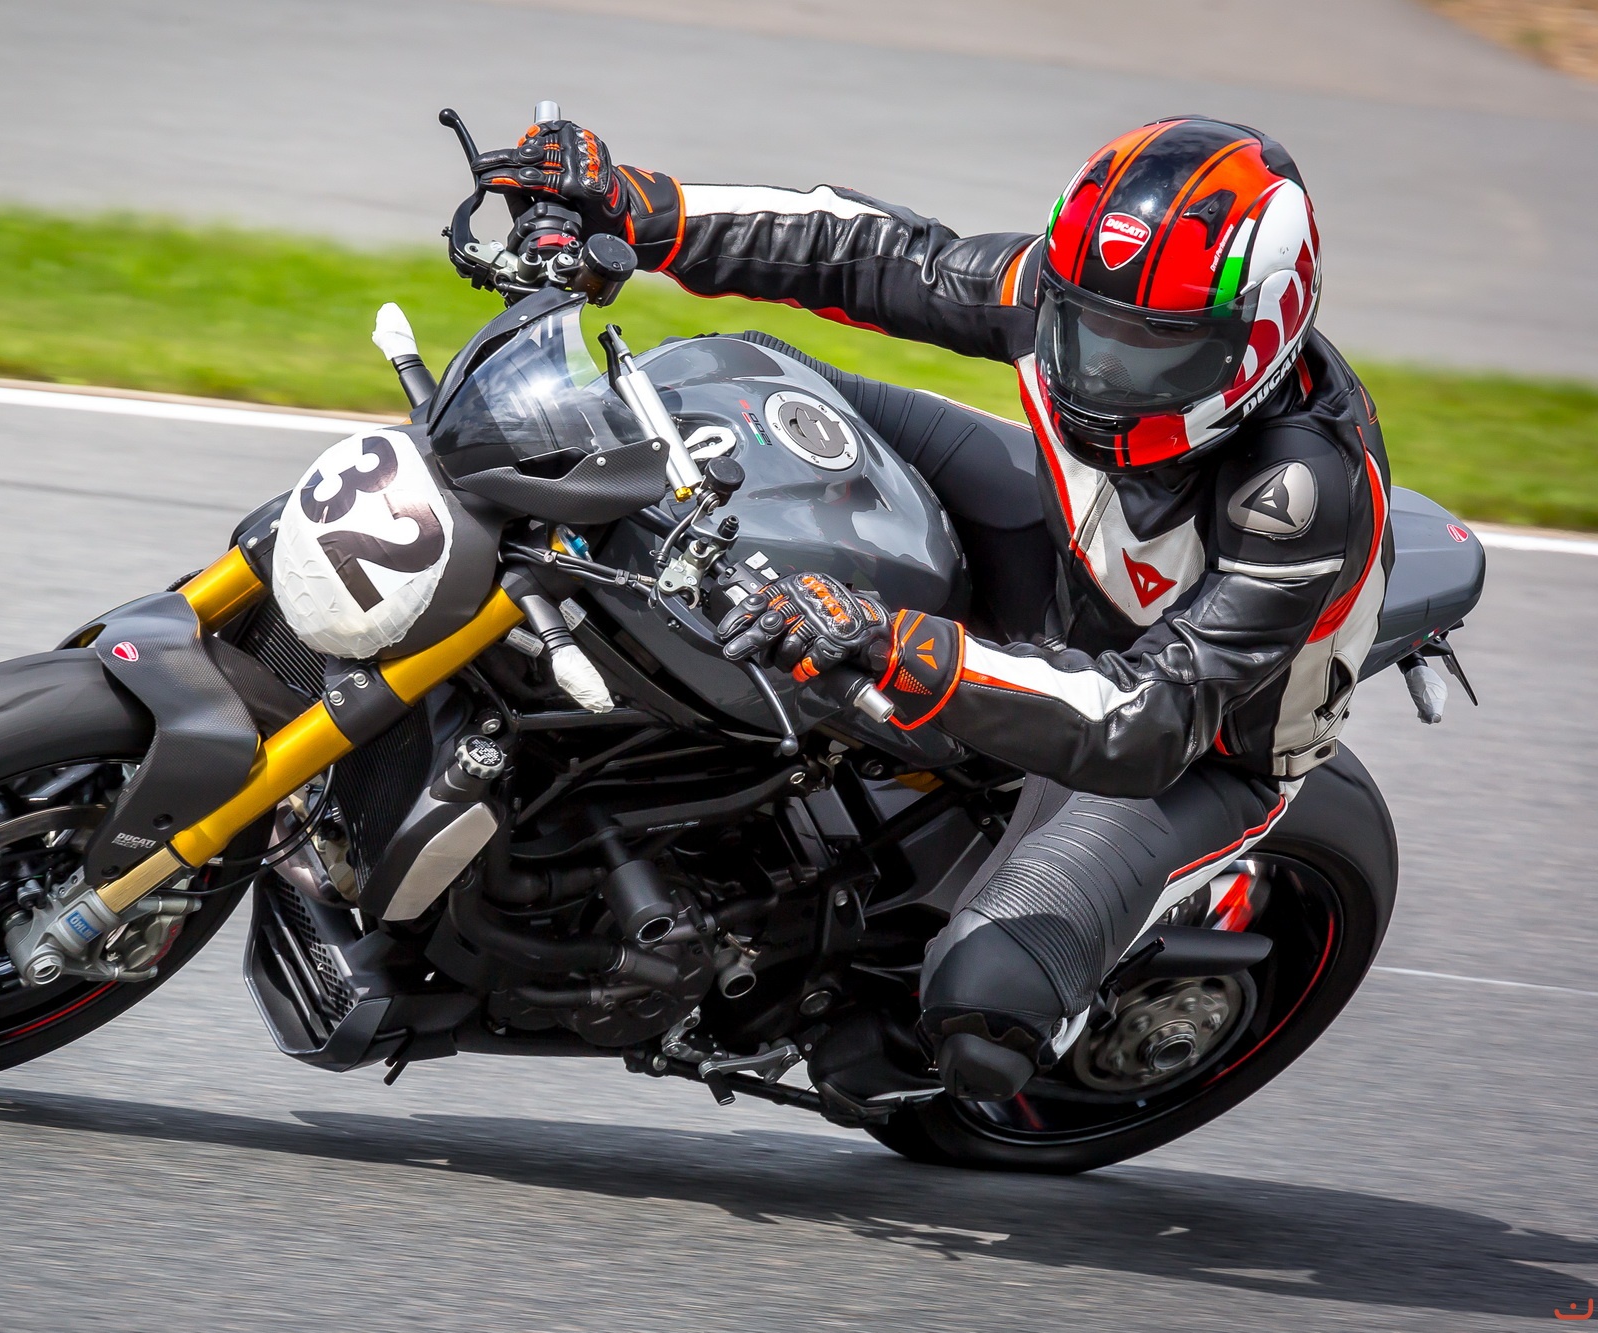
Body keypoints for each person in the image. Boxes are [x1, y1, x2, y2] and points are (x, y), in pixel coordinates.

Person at [472, 114, 1393, 1100]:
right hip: (1068, 557)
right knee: (735, 376)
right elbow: (869, 252)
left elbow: (1145, 720)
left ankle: (897, 967)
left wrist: (885, 640)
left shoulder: (1300, 497)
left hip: (1195, 741)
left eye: (1150, 353)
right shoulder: (1065, 297)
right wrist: (640, 209)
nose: (1099, 373)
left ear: (1259, 338)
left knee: (981, 1016)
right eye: (1082, 329)